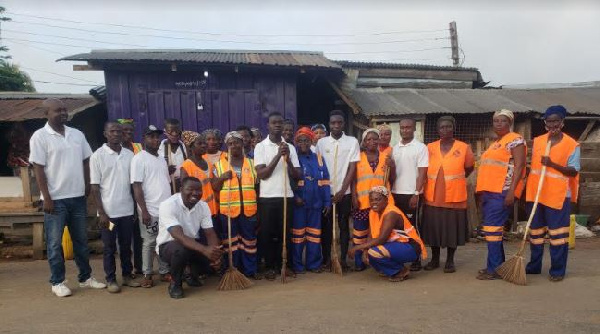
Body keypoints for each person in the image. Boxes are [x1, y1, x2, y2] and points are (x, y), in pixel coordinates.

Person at [29, 98, 106, 297]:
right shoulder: (40, 137)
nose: (63, 113)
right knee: (55, 244)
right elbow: (38, 169)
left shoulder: (77, 134)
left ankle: (85, 278)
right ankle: (57, 281)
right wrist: (46, 197)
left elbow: (86, 160)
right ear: (46, 113)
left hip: (77, 197)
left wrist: (87, 184)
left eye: (65, 110)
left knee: (81, 241)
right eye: (57, 110)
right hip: (55, 200)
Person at [525, 105, 580, 282]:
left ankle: (557, 270)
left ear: (562, 123)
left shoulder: (572, 144)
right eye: (549, 121)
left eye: (556, 121)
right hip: (536, 194)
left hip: (558, 196)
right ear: (545, 123)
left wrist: (552, 164)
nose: (552, 125)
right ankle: (534, 266)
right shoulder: (539, 141)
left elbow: (573, 171)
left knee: (558, 236)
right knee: (535, 234)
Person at [90, 121, 141, 292]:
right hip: (109, 214)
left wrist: (135, 208)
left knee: (126, 246)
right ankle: (111, 279)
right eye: (112, 131)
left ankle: (127, 276)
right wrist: (102, 213)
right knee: (109, 247)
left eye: (119, 131)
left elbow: (133, 185)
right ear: (105, 133)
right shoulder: (97, 156)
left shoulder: (129, 155)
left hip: (126, 211)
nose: (116, 134)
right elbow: (95, 187)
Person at [475, 109, 526, 280]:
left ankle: (494, 269)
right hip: (490, 192)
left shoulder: (515, 140)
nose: (499, 124)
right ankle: (497, 265)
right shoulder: (496, 142)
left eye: (503, 121)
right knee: (493, 231)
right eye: (496, 121)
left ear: (510, 122)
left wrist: (511, 192)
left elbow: (519, 167)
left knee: (492, 230)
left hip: (502, 191)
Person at [421, 116, 474, 273]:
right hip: (433, 195)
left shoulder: (464, 147)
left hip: (455, 196)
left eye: (448, 127)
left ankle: (450, 260)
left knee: (452, 228)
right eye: (442, 127)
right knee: (433, 228)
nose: (445, 130)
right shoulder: (429, 147)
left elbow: (469, 168)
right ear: (437, 130)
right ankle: (435, 259)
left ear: (453, 128)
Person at [254, 112, 302, 280]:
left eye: (280, 123)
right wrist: (277, 156)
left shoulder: (290, 147)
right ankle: (270, 266)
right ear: (267, 125)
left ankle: (285, 265)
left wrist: (287, 159)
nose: (277, 126)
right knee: (268, 233)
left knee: (285, 233)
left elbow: (297, 175)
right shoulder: (261, 146)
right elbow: (262, 174)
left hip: (286, 195)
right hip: (267, 197)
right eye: (274, 123)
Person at [157, 177, 223, 299]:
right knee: (180, 250)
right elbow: (178, 236)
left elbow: (210, 233)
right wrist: (204, 250)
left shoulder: (203, 206)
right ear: (181, 189)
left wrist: (215, 254)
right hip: (169, 246)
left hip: (192, 244)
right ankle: (175, 283)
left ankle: (192, 275)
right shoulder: (168, 205)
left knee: (211, 258)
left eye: (198, 190)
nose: (195, 193)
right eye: (190, 189)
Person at [348, 186, 427, 282]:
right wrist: (365, 250)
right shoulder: (373, 212)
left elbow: (382, 239)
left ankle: (400, 271)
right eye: (371, 200)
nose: (374, 203)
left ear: (386, 199)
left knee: (374, 252)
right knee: (370, 254)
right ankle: (392, 269)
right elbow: (371, 235)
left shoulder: (391, 213)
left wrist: (357, 247)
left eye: (377, 199)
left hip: (410, 246)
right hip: (396, 245)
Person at [212, 131, 261, 279]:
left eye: (237, 142)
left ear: (242, 144)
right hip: (228, 211)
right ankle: (233, 269)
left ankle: (250, 271)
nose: (234, 146)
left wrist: (259, 211)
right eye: (230, 143)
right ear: (227, 146)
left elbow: (258, 188)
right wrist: (221, 178)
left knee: (249, 242)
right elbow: (214, 187)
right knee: (231, 243)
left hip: (249, 210)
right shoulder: (219, 165)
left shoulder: (252, 163)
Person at [316, 110, 360, 271]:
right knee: (326, 227)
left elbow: (352, 167)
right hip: (326, 192)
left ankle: (342, 259)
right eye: (333, 123)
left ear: (343, 124)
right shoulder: (321, 143)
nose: (336, 125)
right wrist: (326, 190)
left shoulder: (352, 141)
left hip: (345, 192)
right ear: (329, 124)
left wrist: (342, 190)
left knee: (343, 225)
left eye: (339, 123)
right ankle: (327, 258)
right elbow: (319, 167)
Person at [131, 125, 172, 288]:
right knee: (149, 242)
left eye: (157, 137)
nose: (155, 140)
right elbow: (137, 187)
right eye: (151, 137)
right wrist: (144, 211)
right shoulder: (139, 159)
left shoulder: (161, 158)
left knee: (163, 240)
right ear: (144, 140)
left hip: (164, 209)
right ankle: (147, 273)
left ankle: (163, 271)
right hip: (149, 209)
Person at [351, 128, 395, 271]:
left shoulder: (386, 157)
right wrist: (354, 196)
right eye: (368, 139)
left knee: (378, 232)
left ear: (379, 140)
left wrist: (392, 167)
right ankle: (359, 262)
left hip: (381, 204)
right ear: (363, 142)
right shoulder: (358, 157)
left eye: (375, 138)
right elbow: (353, 180)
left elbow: (392, 179)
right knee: (360, 233)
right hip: (362, 201)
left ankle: (376, 260)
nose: (372, 141)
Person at [390, 118, 428, 271]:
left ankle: (416, 258)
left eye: (408, 127)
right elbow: (393, 174)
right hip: (395, 193)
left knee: (413, 227)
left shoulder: (420, 148)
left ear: (414, 129)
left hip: (411, 194)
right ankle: (401, 257)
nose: (405, 130)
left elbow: (422, 173)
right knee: (397, 228)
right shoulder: (395, 149)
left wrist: (416, 193)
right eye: (402, 127)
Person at [292, 127, 331, 274]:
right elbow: (289, 180)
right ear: (296, 142)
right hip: (299, 205)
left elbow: (326, 181)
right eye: (300, 140)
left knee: (314, 235)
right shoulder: (293, 158)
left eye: (306, 140)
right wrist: (296, 197)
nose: (303, 143)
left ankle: (313, 264)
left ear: (311, 141)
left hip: (316, 204)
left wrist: (327, 202)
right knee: (298, 236)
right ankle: (297, 265)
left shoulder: (319, 158)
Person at [118, 118, 143, 275]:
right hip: (122, 197)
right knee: (124, 238)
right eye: (124, 131)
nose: (127, 134)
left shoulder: (139, 148)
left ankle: (139, 267)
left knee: (139, 235)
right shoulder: (116, 149)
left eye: (130, 131)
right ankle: (126, 269)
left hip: (138, 196)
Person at [180, 131, 218, 218]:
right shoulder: (187, 165)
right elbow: (185, 192)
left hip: (212, 208)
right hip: (197, 211)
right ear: (191, 147)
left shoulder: (208, 162)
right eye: (199, 143)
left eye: (204, 143)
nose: (204, 145)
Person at [158, 118, 187, 193]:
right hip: (167, 185)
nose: (174, 134)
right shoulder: (160, 148)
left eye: (176, 131)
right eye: (170, 131)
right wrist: (165, 170)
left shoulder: (184, 146)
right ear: (165, 132)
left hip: (182, 184)